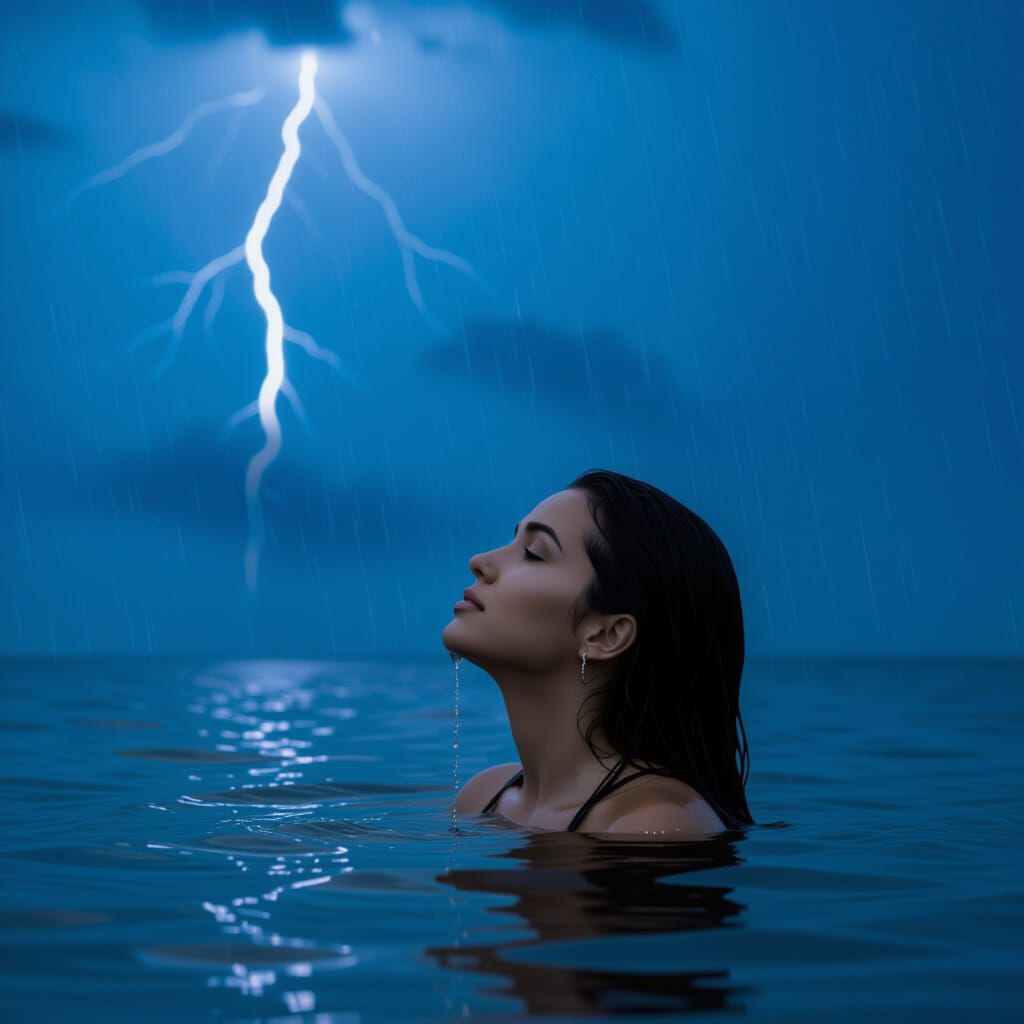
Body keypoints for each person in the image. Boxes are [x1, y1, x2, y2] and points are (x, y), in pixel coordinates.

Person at [441, 469, 755, 838]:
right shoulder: (484, 797)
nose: (480, 560)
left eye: (533, 553)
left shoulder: (655, 823)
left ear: (606, 634)